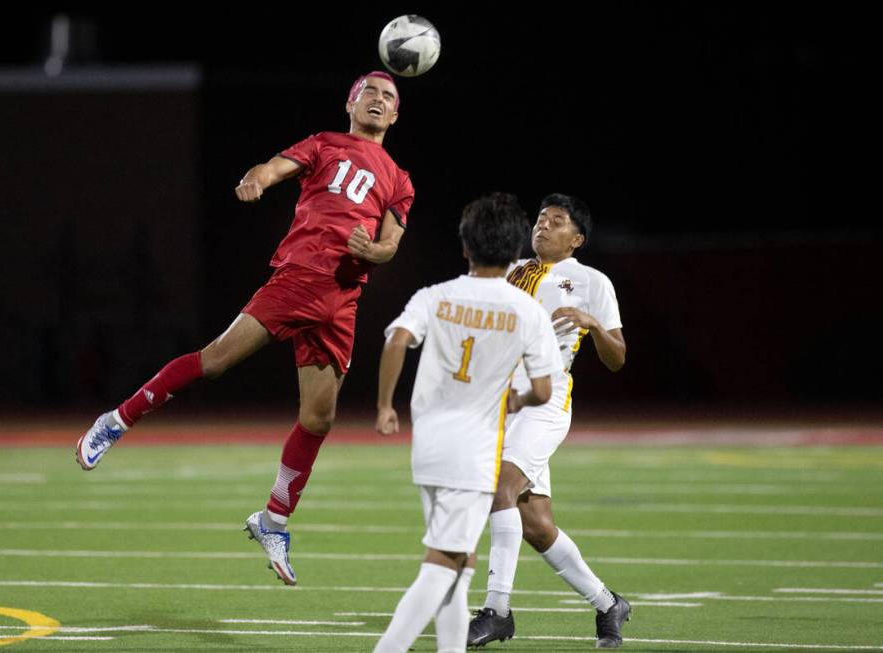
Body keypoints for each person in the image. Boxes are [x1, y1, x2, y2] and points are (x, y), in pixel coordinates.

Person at [75, 71, 415, 587]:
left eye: (388, 97)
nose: (379, 99)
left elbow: (391, 241)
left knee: (319, 419)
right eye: (370, 91)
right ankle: (116, 420)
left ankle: (273, 521)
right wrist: (257, 178)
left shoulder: (399, 178)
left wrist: (377, 252)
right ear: (351, 101)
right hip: (300, 276)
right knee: (215, 360)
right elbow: (275, 166)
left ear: (395, 116)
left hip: (342, 300)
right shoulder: (324, 144)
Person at [372, 193, 559, 653]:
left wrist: (384, 406)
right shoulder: (527, 310)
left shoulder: (436, 295)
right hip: (473, 454)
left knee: (462, 564)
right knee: (442, 565)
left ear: (465, 248)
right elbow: (544, 391)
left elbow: (396, 340)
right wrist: (514, 400)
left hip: (430, 446)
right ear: (517, 253)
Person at [466, 193, 630, 649]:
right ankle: (607, 604)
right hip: (501, 404)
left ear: (576, 239)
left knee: (501, 487)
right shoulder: (509, 270)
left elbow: (617, 357)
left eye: (557, 221)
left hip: (546, 400)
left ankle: (497, 610)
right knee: (536, 524)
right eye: (540, 219)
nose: (543, 226)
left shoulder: (592, 281)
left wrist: (592, 324)